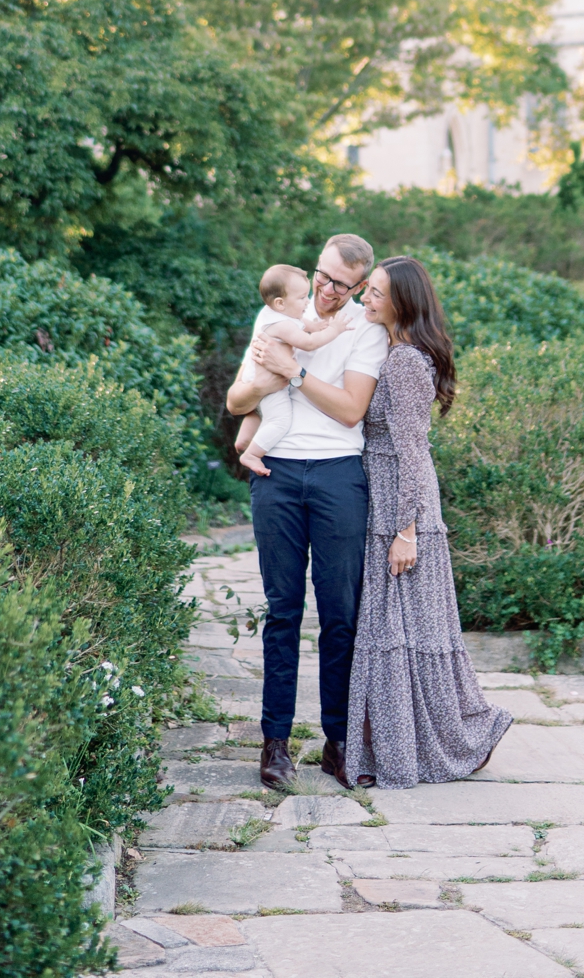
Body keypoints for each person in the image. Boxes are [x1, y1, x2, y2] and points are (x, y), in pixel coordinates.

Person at [226, 233, 388, 791]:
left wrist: (291, 374)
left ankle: (337, 743)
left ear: (360, 285)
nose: (324, 289)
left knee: (341, 613)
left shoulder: (368, 331)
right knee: (283, 611)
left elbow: (349, 411)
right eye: (320, 275)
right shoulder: (276, 314)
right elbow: (236, 400)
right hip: (277, 477)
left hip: (340, 475)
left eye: (339, 283)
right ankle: (274, 745)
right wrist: (267, 379)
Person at [345, 255, 512, 789]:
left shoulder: (405, 363)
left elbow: (414, 451)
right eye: (366, 290)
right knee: (395, 631)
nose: (365, 298)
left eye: (374, 292)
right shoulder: (392, 352)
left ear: (401, 302)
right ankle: (399, 747)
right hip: (388, 500)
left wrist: (406, 531)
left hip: (403, 507)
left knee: (404, 630)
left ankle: (445, 743)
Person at [234, 263, 355, 476]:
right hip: (271, 382)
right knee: (280, 420)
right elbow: (308, 342)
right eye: (301, 298)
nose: (307, 301)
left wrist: (315, 325)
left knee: (261, 412)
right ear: (280, 303)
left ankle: (244, 439)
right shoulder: (282, 325)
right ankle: (252, 454)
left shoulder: (270, 313)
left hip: (255, 375)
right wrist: (333, 330)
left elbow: (301, 321)